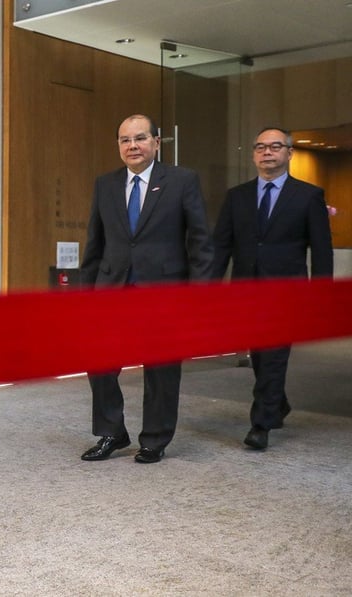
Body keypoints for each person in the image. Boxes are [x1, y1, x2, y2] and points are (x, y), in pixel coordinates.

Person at [78, 114, 213, 464]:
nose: (132, 146)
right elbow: (95, 244)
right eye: (125, 140)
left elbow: (200, 241)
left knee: (161, 370)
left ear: (156, 142)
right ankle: (112, 432)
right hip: (112, 290)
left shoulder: (182, 181)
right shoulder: (105, 184)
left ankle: (154, 438)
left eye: (140, 138)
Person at [211, 126, 333, 450]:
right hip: (246, 291)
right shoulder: (236, 197)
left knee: (275, 356)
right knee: (259, 355)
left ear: (289, 153)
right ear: (253, 154)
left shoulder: (309, 196)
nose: (267, 152)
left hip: (285, 293)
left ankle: (260, 424)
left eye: (275, 146)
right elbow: (221, 246)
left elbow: (321, 251)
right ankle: (277, 403)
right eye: (261, 147)